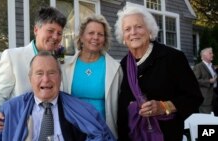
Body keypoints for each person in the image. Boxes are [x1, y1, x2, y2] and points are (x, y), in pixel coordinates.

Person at [114, 5, 203, 141]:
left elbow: (194, 97)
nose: (133, 32)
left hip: (167, 135)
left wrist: (164, 106)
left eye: (139, 26)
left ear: (150, 31)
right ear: (123, 37)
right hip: (132, 136)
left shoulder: (172, 58)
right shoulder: (123, 65)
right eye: (127, 29)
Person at [0, 51, 116, 141]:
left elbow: (102, 136)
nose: (46, 79)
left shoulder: (83, 110)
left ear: (60, 78)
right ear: (30, 78)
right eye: (39, 73)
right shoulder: (9, 110)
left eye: (52, 73)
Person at [0, 6, 67, 133]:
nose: (55, 37)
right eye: (50, 31)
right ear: (36, 29)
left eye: (59, 33)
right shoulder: (12, 57)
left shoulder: (61, 61)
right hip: (21, 132)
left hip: (55, 130)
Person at [61, 14, 123, 138]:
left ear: (104, 39)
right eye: (91, 33)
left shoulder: (115, 68)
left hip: (102, 132)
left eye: (100, 34)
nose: (95, 37)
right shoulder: (65, 66)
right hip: (72, 131)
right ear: (82, 37)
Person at [193, 47, 217, 114]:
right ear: (204, 55)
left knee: (212, 121)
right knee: (205, 120)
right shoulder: (198, 66)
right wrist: (208, 81)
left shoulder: (212, 66)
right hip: (205, 99)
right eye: (210, 53)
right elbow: (195, 80)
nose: (212, 54)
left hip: (213, 98)